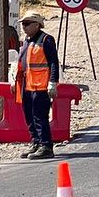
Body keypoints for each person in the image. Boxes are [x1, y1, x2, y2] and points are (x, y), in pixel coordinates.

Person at [14, 11, 60, 158]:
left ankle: (46, 146)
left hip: (41, 86)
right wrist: (14, 81)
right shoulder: (27, 41)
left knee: (40, 117)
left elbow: (53, 62)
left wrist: (53, 82)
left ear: (36, 24)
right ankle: (36, 142)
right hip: (27, 86)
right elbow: (22, 63)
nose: (24, 27)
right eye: (23, 24)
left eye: (27, 24)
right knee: (29, 116)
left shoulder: (46, 40)